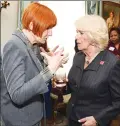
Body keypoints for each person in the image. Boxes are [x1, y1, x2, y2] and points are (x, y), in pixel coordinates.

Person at [1, 2, 68, 126]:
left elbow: (30, 76)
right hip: (19, 121)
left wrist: (49, 62)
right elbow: (17, 94)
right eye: (47, 28)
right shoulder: (14, 46)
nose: (50, 33)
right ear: (32, 25)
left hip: (33, 117)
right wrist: (50, 69)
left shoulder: (33, 46)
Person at [66, 15, 120, 126]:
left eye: (81, 33)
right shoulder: (78, 57)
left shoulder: (112, 63)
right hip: (72, 117)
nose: (76, 37)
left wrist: (97, 119)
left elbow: (118, 101)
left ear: (94, 36)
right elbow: (76, 87)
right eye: (77, 32)